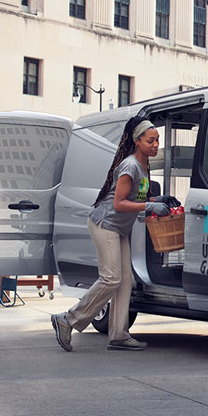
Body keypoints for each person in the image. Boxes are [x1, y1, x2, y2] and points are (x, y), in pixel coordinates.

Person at [51, 117, 181, 352]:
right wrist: (149, 207)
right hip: (105, 224)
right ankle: (67, 319)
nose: (155, 145)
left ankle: (119, 335)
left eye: (157, 140)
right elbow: (120, 204)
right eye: (150, 141)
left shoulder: (143, 166)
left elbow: (135, 198)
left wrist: (156, 199)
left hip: (119, 228)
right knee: (111, 278)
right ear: (137, 141)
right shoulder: (130, 166)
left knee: (125, 281)